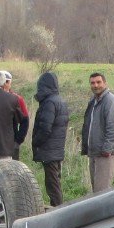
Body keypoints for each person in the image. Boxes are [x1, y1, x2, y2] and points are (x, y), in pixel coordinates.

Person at [80, 72, 114, 193]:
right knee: (96, 190)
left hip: (105, 154)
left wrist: (106, 150)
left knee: (102, 191)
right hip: (94, 152)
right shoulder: (93, 101)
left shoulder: (110, 101)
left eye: (98, 82)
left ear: (105, 83)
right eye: (92, 83)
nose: (95, 85)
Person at [31, 72, 70, 207]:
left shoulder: (49, 103)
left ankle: (57, 209)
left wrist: (36, 142)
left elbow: (45, 128)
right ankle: (57, 207)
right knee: (55, 182)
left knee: (52, 184)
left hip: (49, 150)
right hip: (57, 149)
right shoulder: (60, 101)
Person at [2, 71, 29, 160]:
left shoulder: (17, 99)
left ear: (10, 83)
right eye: (3, 81)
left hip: (11, 142)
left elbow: (25, 120)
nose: (5, 84)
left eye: (7, 82)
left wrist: (18, 140)